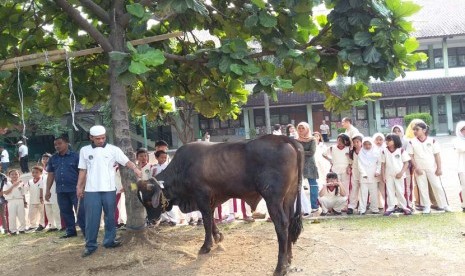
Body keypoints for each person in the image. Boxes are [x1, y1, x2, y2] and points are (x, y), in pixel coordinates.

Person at [77, 125, 141, 257]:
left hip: (109, 189)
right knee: (92, 219)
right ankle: (90, 245)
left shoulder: (113, 149)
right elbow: (82, 170)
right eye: (97, 138)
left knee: (110, 217)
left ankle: (109, 240)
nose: (101, 140)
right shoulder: (84, 150)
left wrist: (135, 169)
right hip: (91, 190)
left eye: (103, 138)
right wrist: (79, 187)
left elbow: (126, 161)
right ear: (91, 138)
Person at [45, 136, 85, 239]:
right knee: (65, 211)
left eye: (59, 143)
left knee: (80, 210)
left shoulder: (76, 156)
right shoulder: (53, 158)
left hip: (75, 190)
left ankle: (86, 231)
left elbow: (83, 172)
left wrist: (82, 187)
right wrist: (47, 190)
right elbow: (50, 175)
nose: (57, 146)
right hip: (61, 190)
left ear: (67, 143)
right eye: (55, 144)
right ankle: (71, 231)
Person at [407, 122, 451, 214]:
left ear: (424, 130)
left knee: (437, 186)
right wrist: (416, 168)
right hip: (419, 169)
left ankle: (444, 205)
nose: (415, 131)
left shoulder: (432, 140)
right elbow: (410, 156)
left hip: (432, 168)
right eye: (414, 129)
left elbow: (437, 155)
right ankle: (426, 206)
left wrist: (439, 168)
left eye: (417, 129)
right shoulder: (411, 142)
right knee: (422, 188)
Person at [381, 134, 412, 216]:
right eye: (386, 140)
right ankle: (390, 208)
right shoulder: (384, 151)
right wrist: (383, 176)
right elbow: (383, 164)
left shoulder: (401, 150)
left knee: (400, 191)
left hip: (399, 175)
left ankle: (404, 207)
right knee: (390, 192)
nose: (387, 142)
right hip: (389, 175)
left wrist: (401, 172)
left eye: (389, 140)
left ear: (395, 141)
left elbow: (406, 163)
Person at [323, 134, 351, 212]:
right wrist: (330, 160)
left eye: (341, 141)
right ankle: (332, 205)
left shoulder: (348, 149)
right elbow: (324, 154)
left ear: (345, 141)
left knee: (345, 188)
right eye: (338, 140)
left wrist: (349, 166)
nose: (339, 142)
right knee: (334, 187)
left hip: (345, 170)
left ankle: (345, 205)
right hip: (335, 171)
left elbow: (351, 160)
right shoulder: (332, 148)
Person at [296, 122, 319, 213]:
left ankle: (314, 206)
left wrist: (300, 151)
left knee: (313, 185)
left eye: (303, 128)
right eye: (299, 128)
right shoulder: (296, 140)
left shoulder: (312, 139)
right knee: (298, 187)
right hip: (298, 164)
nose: (301, 130)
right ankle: (301, 207)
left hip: (310, 165)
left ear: (307, 129)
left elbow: (311, 152)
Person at [357, 137, 381, 215]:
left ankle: (374, 208)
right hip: (364, 176)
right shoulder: (361, 152)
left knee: (374, 193)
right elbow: (359, 164)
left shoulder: (376, 152)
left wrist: (378, 171)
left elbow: (379, 163)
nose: (367, 146)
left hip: (374, 175)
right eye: (365, 144)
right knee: (363, 193)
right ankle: (362, 209)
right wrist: (363, 173)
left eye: (369, 144)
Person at [3, 169, 27, 234]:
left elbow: (23, 193)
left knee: (21, 215)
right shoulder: (7, 183)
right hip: (11, 201)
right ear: (9, 176)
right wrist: (13, 185)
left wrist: (25, 202)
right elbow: (6, 192)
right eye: (12, 174)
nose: (14, 176)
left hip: (20, 200)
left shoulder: (21, 183)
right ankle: (13, 230)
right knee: (12, 216)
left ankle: (22, 229)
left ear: (19, 175)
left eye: (16, 174)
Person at [41, 153, 61, 231]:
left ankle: (59, 225)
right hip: (45, 193)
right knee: (48, 210)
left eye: (47, 159)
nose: (45, 160)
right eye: (44, 159)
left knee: (56, 209)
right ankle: (52, 226)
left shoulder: (54, 168)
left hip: (54, 192)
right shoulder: (41, 170)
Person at [347, 133, 364, 215]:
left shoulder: (365, 151)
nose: (356, 144)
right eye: (354, 142)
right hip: (355, 172)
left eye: (358, 142)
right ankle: (351, 206)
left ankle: (361, 206)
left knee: (363, 189)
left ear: (361, 142)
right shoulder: (352, 152)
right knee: (354, 189)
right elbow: (350, 162)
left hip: (364, 172)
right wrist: (348, 167)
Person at [26, 166, 45, 231]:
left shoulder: (42, 179)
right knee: (31, 214)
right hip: (32, 200)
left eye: (37, 172)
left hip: (41, 200)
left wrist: (41, 197)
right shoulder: (29, 181)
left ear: (41, 173)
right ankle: (32, 225)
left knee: (42, 213)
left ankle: (42, 224)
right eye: (33, 172)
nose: (34, 174)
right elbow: (25, 189)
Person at [454, 121, 465, 212]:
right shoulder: (456, 140)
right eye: (463, 130)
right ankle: (464, 205)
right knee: (464, 187)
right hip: (462, 167)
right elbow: (462, 148)